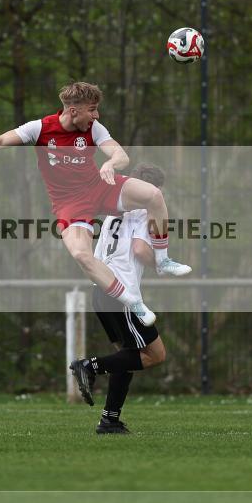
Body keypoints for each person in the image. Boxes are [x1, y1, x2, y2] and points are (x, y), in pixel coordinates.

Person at [0, 81, 189, 325]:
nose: (96, 115)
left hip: (99, 186)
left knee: (153, 195)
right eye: (92, 109)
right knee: (82, 255)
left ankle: (163, 259)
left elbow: (120, 154)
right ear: (74, 111)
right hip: (70, 204)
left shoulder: (94, 128)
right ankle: (134, 302)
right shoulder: (39, 129)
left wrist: (110, 163)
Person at [69, 162, 169, 435]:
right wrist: (159, 262)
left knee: (128, 355)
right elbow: (139, 250)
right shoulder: (143, 213)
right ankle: (88, 366)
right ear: (153, 190)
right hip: (122, 294)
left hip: (101, 291)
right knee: (155, 355)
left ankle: (109, 420)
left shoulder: (113, 211)